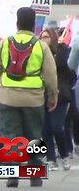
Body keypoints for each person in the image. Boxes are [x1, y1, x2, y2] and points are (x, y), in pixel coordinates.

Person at [0, 7, 58, 188]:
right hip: (33, 99)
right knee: (34, 135)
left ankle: (12, 175)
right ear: (34, 23)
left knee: (10, 136)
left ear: (17, 22)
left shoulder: (5, 43)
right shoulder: (41, 46)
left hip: (8, 98)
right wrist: (53, 95)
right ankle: (34, 175)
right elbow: (51, 74)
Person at [39, 29, 74, 171]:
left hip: (60, 96)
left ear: (52, 38)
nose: (43, 40)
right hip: (43, 95)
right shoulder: (38, 53)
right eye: (41, 38)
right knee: (45, 129)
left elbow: (56, 65)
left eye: (46, 37)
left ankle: (64, 155)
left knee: (56, 127)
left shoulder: (61, 50)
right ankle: (51, 159)